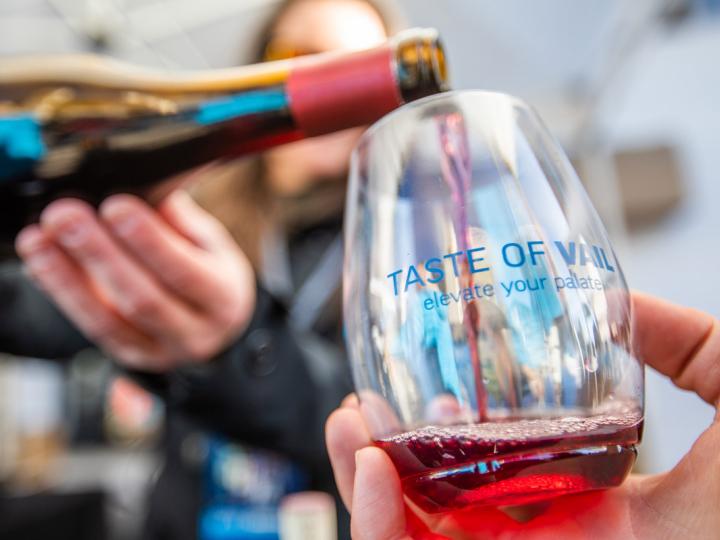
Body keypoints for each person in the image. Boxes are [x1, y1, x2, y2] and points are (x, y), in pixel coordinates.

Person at [3, 0, 399, 538]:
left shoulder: (398, 236)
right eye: (303, 56)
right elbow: (49, 314)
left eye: (355, 68)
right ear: (263, 70)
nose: (335, 83)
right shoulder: (192, 207)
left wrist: (241, 340)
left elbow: (393, 415)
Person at [325, 292, 720, 539]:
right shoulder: (445, 413)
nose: (477, 355)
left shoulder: (566, 389)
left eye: (489, 336)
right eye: (461, 342)